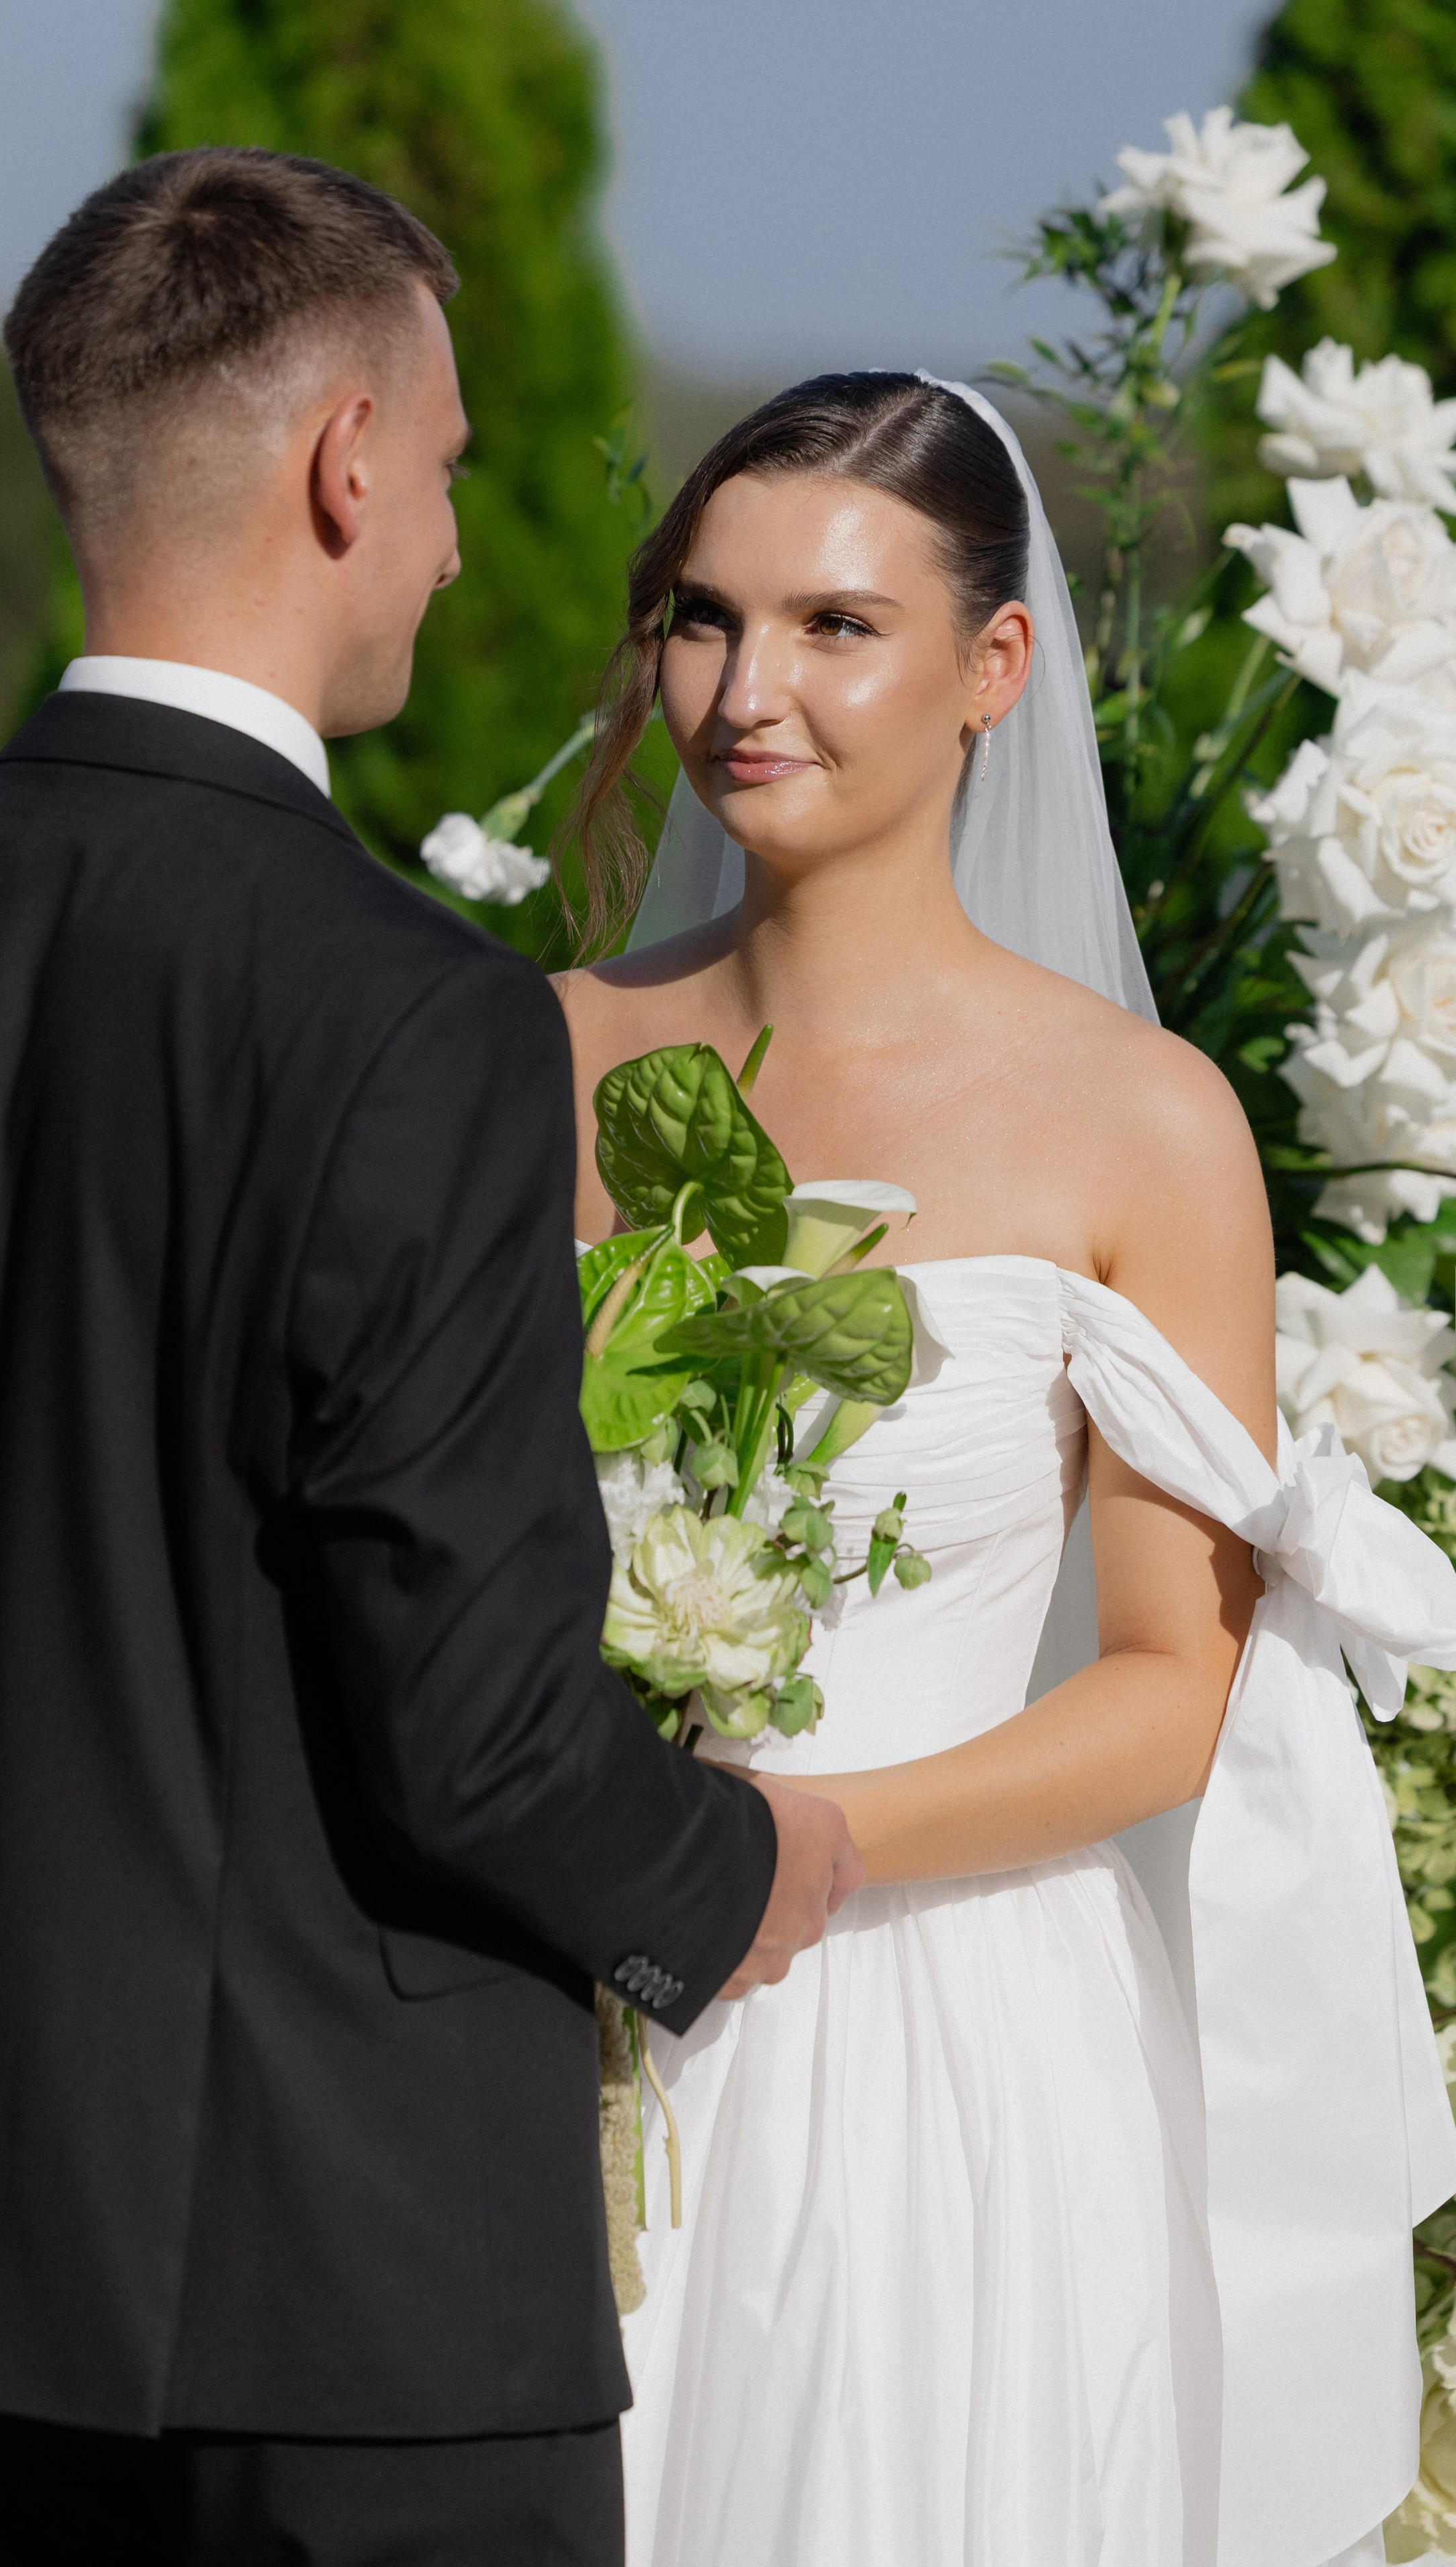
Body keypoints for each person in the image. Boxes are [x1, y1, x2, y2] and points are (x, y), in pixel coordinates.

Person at [0, 150, 861, 2567]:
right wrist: (741, 1857)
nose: (455, 544)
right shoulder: (412, 1019)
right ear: (349, 464)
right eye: (450, 472)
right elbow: (464, 1727)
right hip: (346, 2292)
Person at [556, 371, 1456, 2567]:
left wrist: (799, 1844)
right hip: (532, 2008)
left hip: (942, 2040)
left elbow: (1172, 1682)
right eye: (704, 619)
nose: (748, 691)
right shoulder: (530, 1056)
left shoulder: (1140, 1123)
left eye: (836, 628)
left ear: (993, 668)